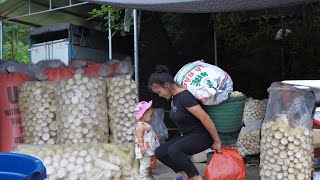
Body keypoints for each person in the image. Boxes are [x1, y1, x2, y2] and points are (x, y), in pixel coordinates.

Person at [148, 65, 222, 180]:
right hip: (189, 136)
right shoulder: (175, 98)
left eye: (159, 91)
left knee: (174, 150)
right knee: (160, 152)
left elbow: (205, 118)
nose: (159, 95)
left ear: (167, 86)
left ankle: (196, 177)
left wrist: (217, 141)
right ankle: (187, 176)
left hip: (202, 136)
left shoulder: (184, 97)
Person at [135, 100, 160, 180]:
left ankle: (148, 176)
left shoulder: (146, 125)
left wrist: (156, 137)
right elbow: (140, 138)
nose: (151, 117)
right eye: (150, 115)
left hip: (148, 150)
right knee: (145, 164)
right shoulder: (141, 126)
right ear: (143, 115)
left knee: (148, 164)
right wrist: (142, 147)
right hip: (145, 150)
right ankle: (143, 177)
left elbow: (149, 135)